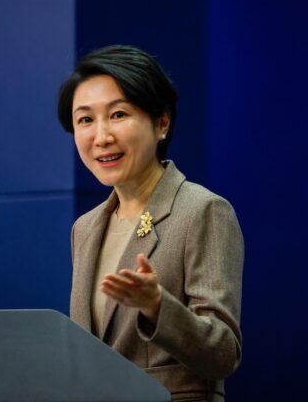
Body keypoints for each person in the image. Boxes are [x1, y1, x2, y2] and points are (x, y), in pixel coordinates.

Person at [57, 45, 244, 401]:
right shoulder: (86, 228)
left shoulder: (201, 211)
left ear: (161, 123)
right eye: (85, 119)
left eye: (118, 114)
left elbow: (223, 354)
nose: (101, 136)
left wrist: (158, 306)